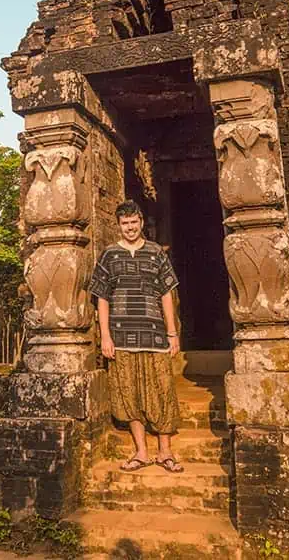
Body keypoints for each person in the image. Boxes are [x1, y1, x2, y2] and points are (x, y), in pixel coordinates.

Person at [88, 199, 184, 474]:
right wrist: (105, 336)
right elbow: (102, 299)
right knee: (128, 394)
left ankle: (165, 452)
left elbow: (167, 295)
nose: (130, 227)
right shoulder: (109, 255)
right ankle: (141, 452)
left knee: (162, 391)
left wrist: (172, 332)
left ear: (141, 223)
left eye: (134, 222)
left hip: (155, 336)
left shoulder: (156, 253)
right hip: (121, 337)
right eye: (125, 223)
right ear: (118, 226)